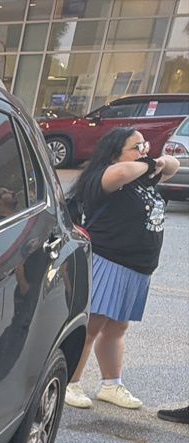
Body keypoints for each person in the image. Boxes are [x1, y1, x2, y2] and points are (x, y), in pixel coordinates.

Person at [63, 127, 180, 410]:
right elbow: (119, 173)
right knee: (92, 325)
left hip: (137, 266)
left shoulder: (143, 175)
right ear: (116, 153)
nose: (145, 151)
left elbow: (174, 165)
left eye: (145, 145)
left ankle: (111, 384)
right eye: (137, 147)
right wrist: (147, 162)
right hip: (109, 261)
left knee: (117, 327)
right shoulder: (107, 176)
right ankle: (70, 382)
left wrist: (157, 162)